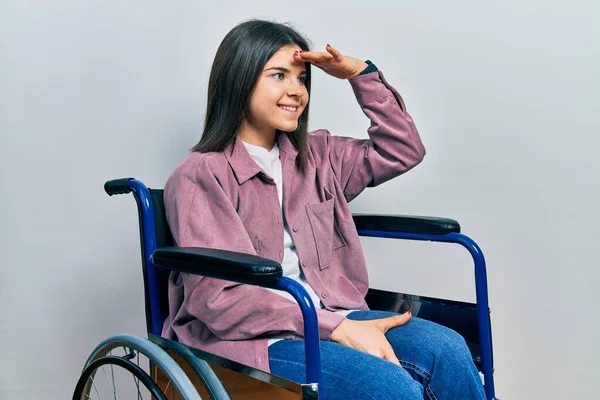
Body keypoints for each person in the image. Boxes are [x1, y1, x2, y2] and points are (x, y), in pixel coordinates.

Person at [162, 19, 486, 400]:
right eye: (279, 75)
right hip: (253, 338)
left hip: (335, 315)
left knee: (446, 349)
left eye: (302, 78)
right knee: (389, 387)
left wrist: (360, 75)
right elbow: (220, 300)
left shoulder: (318, 156)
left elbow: (403, 150)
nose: (296, 90)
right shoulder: (203, 174)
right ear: (239, 79)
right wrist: (331, 327)